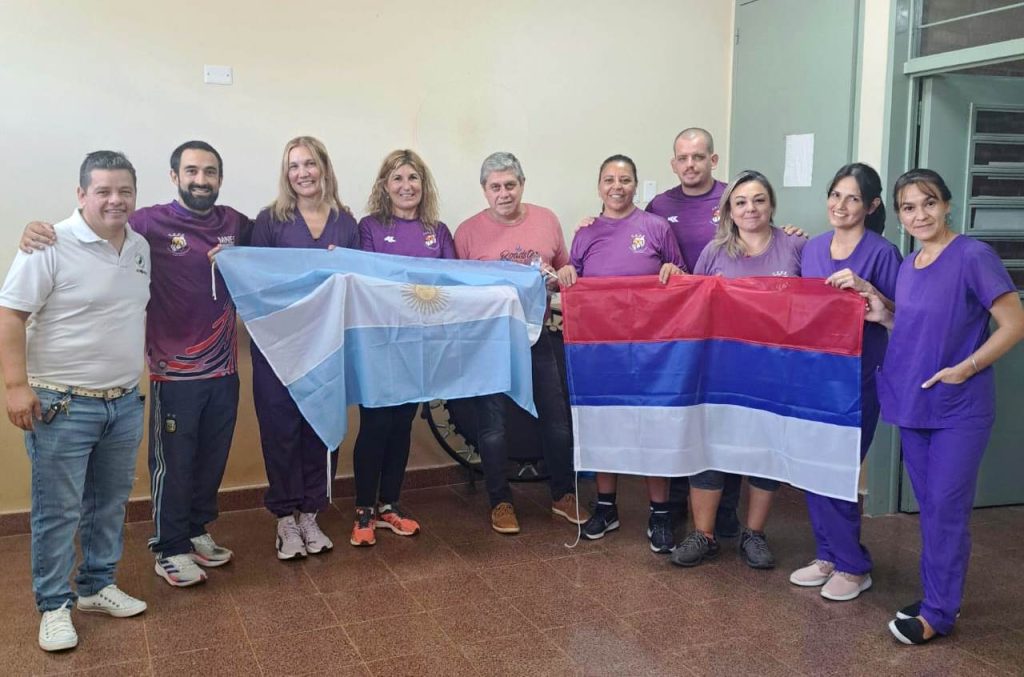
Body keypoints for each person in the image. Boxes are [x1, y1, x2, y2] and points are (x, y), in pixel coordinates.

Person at [21, 141, 252, 588]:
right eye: (191, 171)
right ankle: (169, 548)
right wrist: (37, 230)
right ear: (174, 176)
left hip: (225, 369)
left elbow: (280, 246)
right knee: (175, 464)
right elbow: (95, 221)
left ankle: (196, 530)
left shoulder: (235, 224)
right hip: (173, 372)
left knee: (211, 459)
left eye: (210, 172)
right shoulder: (148, 223)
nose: (201, 179)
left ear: (220, 178)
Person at [862, 169, 1024, 645]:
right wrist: (884, 315)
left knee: (946, 510)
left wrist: (966, 368)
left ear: (947, 204)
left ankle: (938, 613)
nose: (920, 215)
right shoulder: (910, 265)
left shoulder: (973, 256)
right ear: (899, 216)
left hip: (959, 406)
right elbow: (918, 328)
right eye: (909, 208)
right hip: (915, 403)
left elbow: (1014, 324)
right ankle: (939, 596)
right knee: (932, 509)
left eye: (929, 203)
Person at [0, 151, 150, 652]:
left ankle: (96, 586)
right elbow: (10, 315)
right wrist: (15, 386)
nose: (115, 200)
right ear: (81, 194)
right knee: (58, 512)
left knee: (108, 505)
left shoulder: (140, 246)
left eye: (124, 191)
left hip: (123, 403)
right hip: (62, 406)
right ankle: (53, 606)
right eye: (103, 191)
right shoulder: (49, 243)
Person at [670, 169, 805, 569]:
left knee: (765, 449)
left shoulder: (796, 246)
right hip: (720, 370)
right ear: (729, 209)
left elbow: (817, 304)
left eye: (759, 200)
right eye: (741, 202)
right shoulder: (714, 252)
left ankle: (754, 534)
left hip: (774, 369)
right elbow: (694, 307)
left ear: (772, 204)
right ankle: (704, 534)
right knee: (709, 447)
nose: (750, 209)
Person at [455, 151, 589, 535]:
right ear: (484, 190)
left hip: (537, 336)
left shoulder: (546, 220)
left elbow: (566, 270)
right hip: (490, 340)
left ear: (522, 185)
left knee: (556, 419)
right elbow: (458, 289)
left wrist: (560, 275)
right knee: (492, 426)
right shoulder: (466, 232)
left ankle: (563, 495)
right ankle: (500, 501)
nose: (504, 193)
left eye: (510, 185)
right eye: (495, 187)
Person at [557, 154, 685, 553]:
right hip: (601, 350)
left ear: (635, 185)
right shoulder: (586, 232)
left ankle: (660, 513)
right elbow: (573, 279)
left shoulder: (656, 227)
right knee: (603, 423)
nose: (617, 186)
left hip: (652, 349)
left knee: (654, 424)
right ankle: (606, 507)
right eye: (609, 179)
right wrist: (567, 274)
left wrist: (674, 273)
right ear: (599, 186)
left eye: (625, 179)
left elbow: (683, 278)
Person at [789, 163, 902, 601]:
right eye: (835, 195)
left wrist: (867, 287)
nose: (841, 205)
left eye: (853, 198)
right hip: (815, 374)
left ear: (871, 206)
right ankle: (828, 555)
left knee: (839, 466)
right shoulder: (813, 248)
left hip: (859, 376)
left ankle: (854, 566)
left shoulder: (882, 253)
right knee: (812, 466)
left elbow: (900, 315)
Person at [250, 136, 360, 559]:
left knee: (321, 427)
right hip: (279, 346)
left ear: (324, 168)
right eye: (294, 166)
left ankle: (311, 514)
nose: (302, 173)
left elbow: (360, 283)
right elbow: (255, 279)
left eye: (310, 164)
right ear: (286, 174)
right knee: (281, 430)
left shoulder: (346, 223)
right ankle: (285, 519)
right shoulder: (270, 221)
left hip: (327, 345)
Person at [350, 149, 456, 546]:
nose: (406, 186)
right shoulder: (369, 227)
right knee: (375, 424)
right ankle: (363, 509)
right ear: (385, 185)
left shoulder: (438, 231)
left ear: (423, 185)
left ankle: (389, 505)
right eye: (398, 178)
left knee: (401, 425)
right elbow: (366, 282)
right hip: (380, 343)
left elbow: (453, 283)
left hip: (420, 345)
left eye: (413, 178)